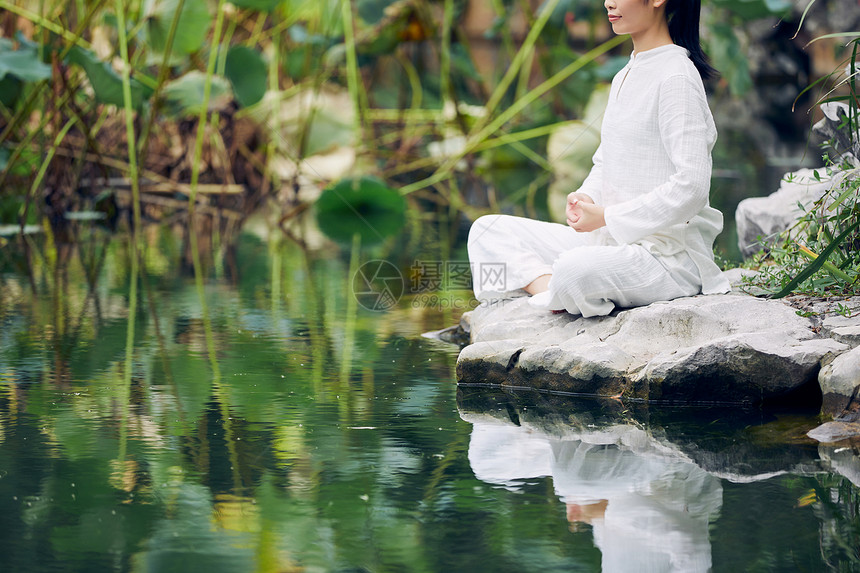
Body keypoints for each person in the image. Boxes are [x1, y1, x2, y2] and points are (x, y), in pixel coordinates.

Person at [468, 0, 731, 316]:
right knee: (486, 231)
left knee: (575, 269)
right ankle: (552, 292)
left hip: (665, 259)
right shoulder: (625, 74)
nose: (609, 2)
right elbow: (606, 160)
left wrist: (608, 216)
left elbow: (692, 187)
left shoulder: (676, 75)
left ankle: (549, 291)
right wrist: (586, 197)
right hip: (609, 244)